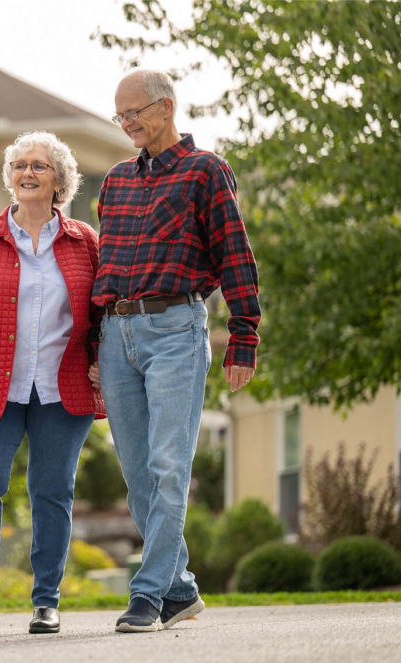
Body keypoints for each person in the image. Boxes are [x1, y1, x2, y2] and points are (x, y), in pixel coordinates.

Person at [88, 70, 261, 632]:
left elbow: (234, 253)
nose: (127, 123)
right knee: (138, 473)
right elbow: (106, 265)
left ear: (166, 107)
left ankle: (149, 593)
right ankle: (181, 589)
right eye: (120, 115)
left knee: (168, 464)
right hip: (116, 333)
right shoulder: (115, 181)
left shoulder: (206, 170)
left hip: (175, 330)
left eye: (134, 112)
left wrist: (243, 335)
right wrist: (94, 343)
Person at [0, 131, 105, 635]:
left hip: (62, 387)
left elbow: (104, 310)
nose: (27, 173)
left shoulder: (84, 241)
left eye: (38, 165)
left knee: (52, 492)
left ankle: (46, 601)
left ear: (59, 180)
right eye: (19, 165)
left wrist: (101, 359)